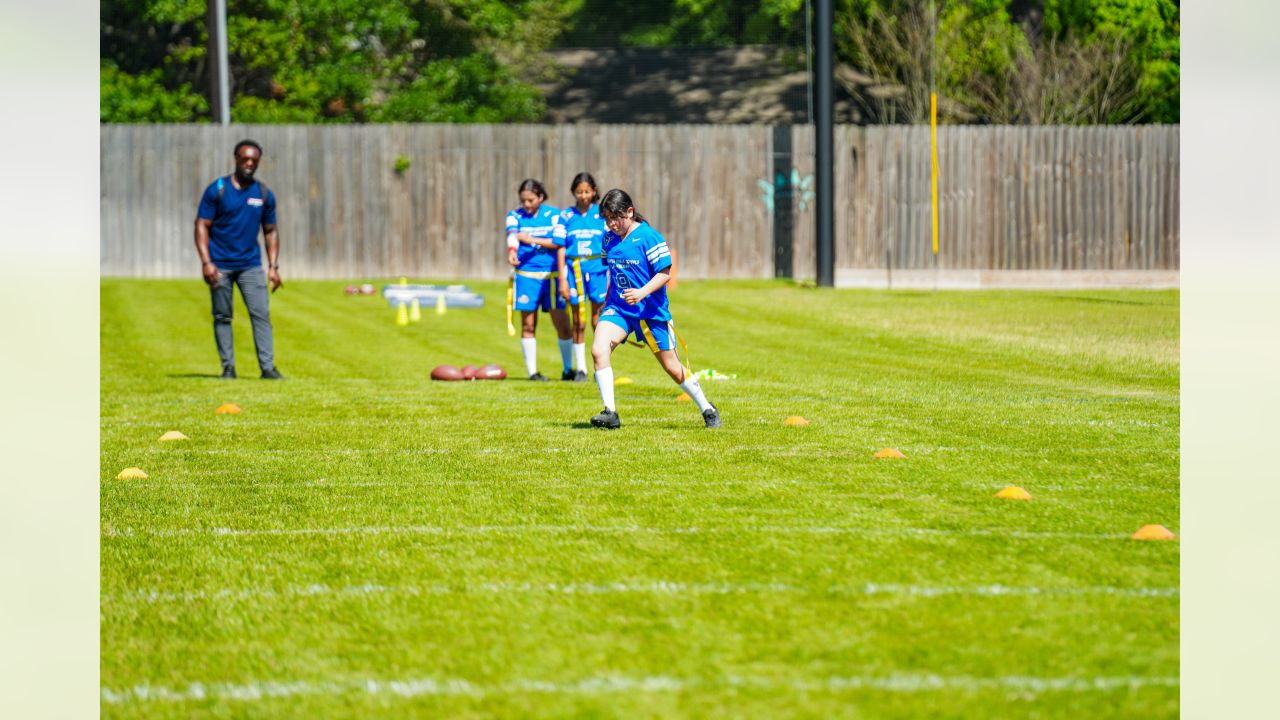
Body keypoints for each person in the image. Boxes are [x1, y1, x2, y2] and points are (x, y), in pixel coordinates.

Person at [589, 189, 720, 429]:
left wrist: (641, 293)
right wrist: (604, 303)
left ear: (629, 212)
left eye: (615, 217)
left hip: (650, 312)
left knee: (672, 367)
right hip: (619, 310)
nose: (611, 223)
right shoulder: (608, 237)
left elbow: (665, 273)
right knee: (598, 350)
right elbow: (612, 273)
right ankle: (610, 413)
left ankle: (707, 408)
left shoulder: (649, 237)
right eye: (607, 218)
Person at [194, 139, 284, 380]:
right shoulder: (218, 190)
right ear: (236, 159)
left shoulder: (263, 194)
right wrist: (206, 262)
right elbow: (202, 225)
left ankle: (267, 368)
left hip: (250, 266)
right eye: (245, 159)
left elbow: (270, 231)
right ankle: (228, 368)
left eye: (254, 160)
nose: (249, 164)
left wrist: (273, 267)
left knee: (261, 314)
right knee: (223, 316)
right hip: (220, 265)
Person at [506, 179, 573, 381]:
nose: (526, 204)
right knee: (528, 325)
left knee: (562, 324)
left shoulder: (554, 215)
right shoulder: (514, 216)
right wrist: (512, 251)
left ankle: (568, 370)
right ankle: (532, 373)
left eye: (530, 200)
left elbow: (559, 242)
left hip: (552, 276)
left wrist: (530, 239)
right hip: (526, 276)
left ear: (541, 197)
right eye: (523, 200)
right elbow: (512, 237)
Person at [555, 172, 608, 382]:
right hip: (575, 271)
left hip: (598, 271)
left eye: (587, 191)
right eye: (579, 192)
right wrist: (562, 279)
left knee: (598, 320)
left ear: (594, 191)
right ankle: (581, 369)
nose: (583, 195)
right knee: (578, 320)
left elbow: (610, 244)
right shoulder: (566, 216)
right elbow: (560, 248)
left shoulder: (602, 215)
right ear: (573, 192)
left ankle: (601, 367)